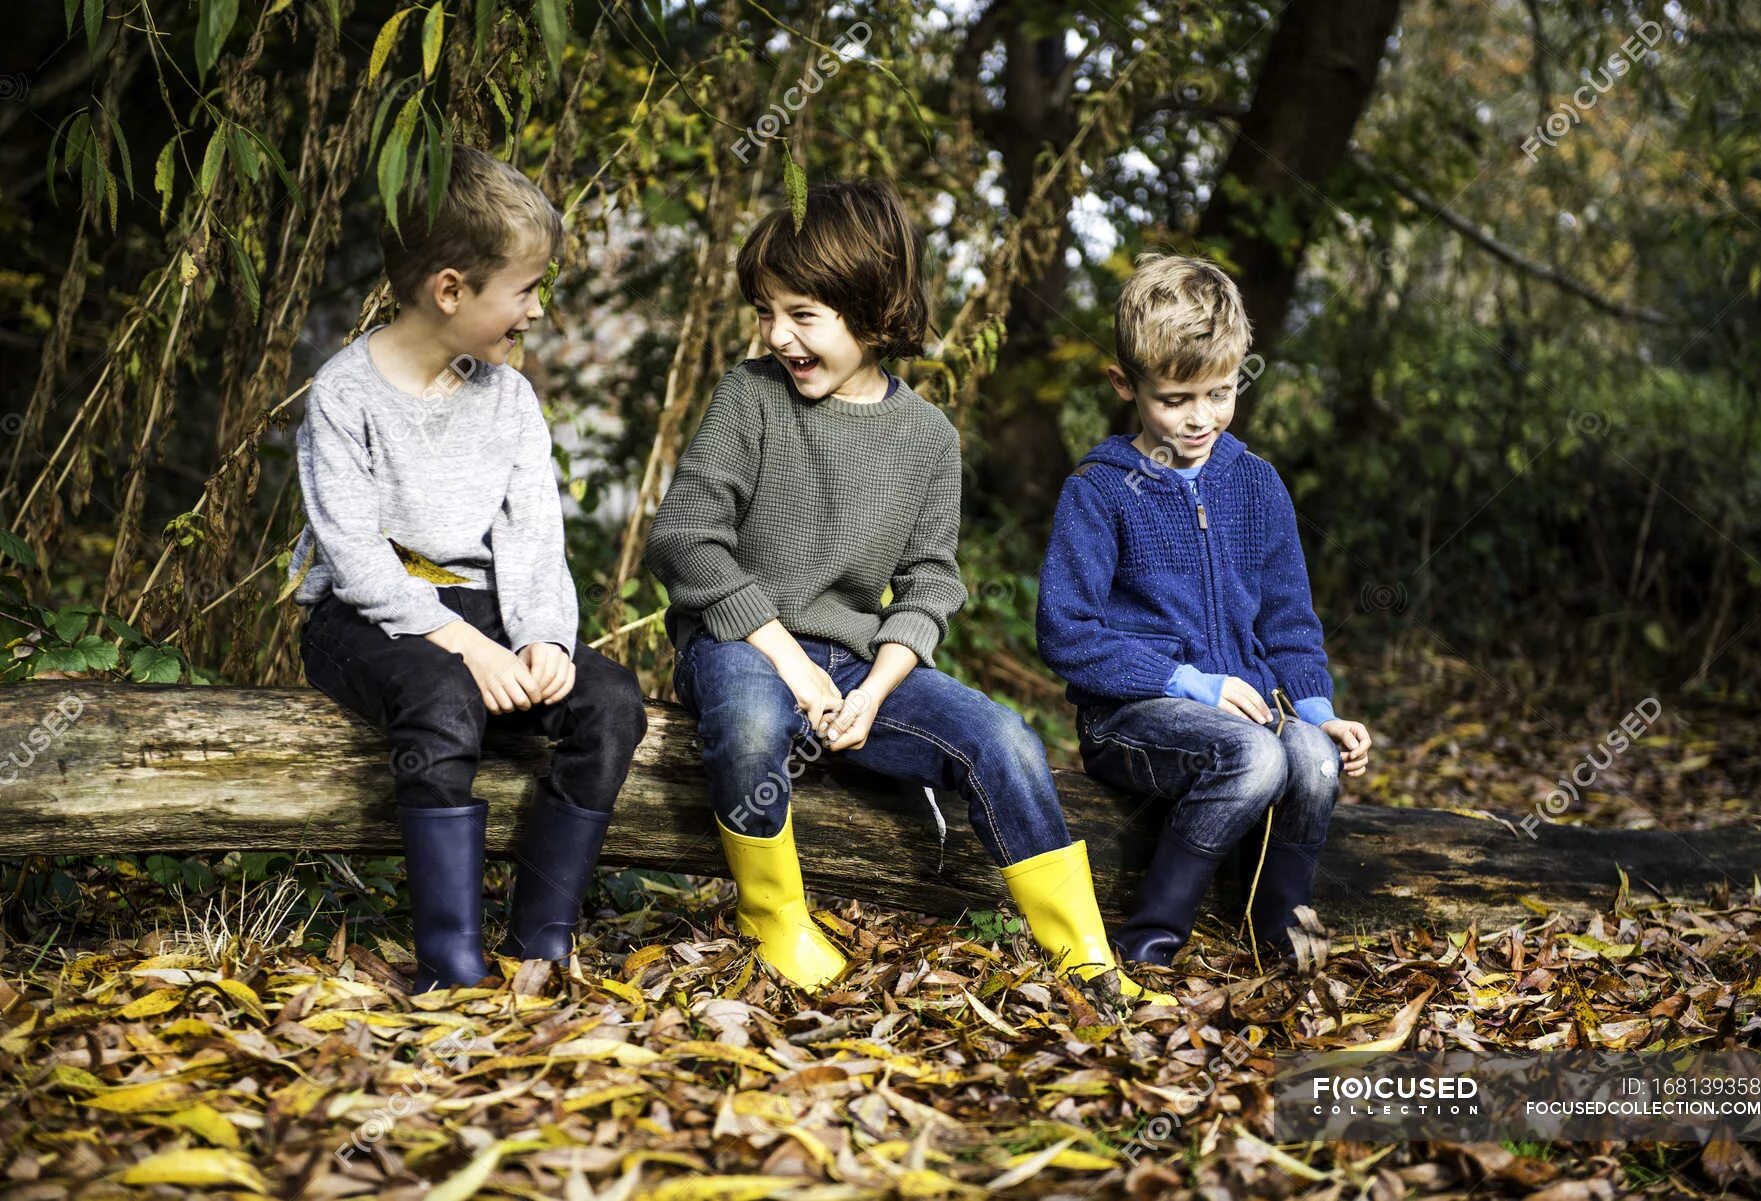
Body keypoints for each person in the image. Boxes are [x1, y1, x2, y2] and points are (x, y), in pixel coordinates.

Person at [645, 179, 1172, 1005]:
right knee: (751, 722)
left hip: (858, 664)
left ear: (873, 308)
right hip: (742, 643)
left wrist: (873, 690)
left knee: (1002, 736)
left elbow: (930, 581)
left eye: (802, 314)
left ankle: (1086, 960)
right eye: (765, 312)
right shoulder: (749, 397)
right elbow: (685, 537)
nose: (777, 334)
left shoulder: (928, 436)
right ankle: (774, 921)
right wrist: (785, 658)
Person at [290, 144, 647, 994]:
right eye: (522, 290)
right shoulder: (344, 397)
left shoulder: (509, 398)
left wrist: (544, 641)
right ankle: (450, 960)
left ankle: (540, 942)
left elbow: (531, 538)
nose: (534, 310)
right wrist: (469, 650)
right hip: (364, 620)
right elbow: (359, 562)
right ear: (451, 290)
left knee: (610, 702)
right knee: (445, 700)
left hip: (484, 609)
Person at [1036, 252, 1372, 967]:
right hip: (1131, 717)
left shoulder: (1255, 483)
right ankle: (1151, 934)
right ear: (1126, 385)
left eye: (1219, 395)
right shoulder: (1099, 490)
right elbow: (1066, 633)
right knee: (1253, 756)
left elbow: (1288, 622)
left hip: (1244, 706)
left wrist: (1318, 711)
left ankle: (1276, 927)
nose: (1200, 420)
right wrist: (1188, 683)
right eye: (1175, 400)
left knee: (1313, 761)